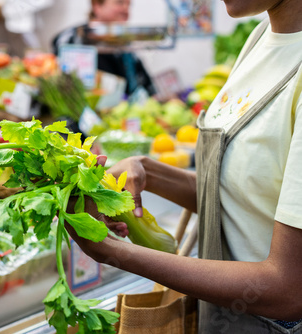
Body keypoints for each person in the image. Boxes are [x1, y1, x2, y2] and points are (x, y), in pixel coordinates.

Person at [66, 0, 302, 332]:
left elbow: (289, 289)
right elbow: (239, 198)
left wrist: (111, 251)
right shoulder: (261, 37)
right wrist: (149, 169)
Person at [52, 0, 156, 97]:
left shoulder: (126, 47)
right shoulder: (71, 39)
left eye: (129, 5)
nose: (126, 10)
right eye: (120, 2)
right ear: (97, 6)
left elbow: (144, 84)